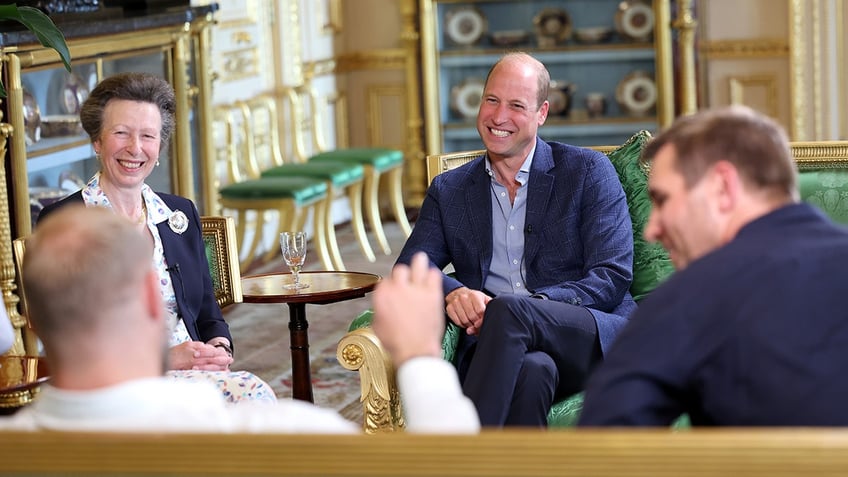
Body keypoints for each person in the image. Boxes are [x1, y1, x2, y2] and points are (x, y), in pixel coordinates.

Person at [2, 206, 479, 433]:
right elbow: (446, 464)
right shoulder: (266, 434)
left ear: (35, 322)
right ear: (154, 297)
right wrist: (419, 357)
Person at [396, 52, 636, 427]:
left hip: (587, 336)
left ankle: (460, 458)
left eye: (516, 106)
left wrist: (530, 309)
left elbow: (611, 275)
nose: (499, 117)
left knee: (508, 310)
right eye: (491, 100)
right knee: (533, 370)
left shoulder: (588, 171)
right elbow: (412, 267)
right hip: (499, 349)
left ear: (541, 113)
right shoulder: (451, 189)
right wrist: (453, 292)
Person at [579, 105, 848, 426]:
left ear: (723, 187)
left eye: (662, 200)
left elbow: (603, 445)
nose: (652, 230)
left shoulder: (693, 295)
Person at [36, 72, 274, 402]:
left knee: (251, 397)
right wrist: (167, 359)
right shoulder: (67, 221)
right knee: (252, 397)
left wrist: (217, 348)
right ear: (97, 141)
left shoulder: (179, 214)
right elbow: (65, 333)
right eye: (121, 133)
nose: (135, 148)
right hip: (112, 384)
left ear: (159, 147)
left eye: (148, 136)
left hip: (194, 374)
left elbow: (207, 310)